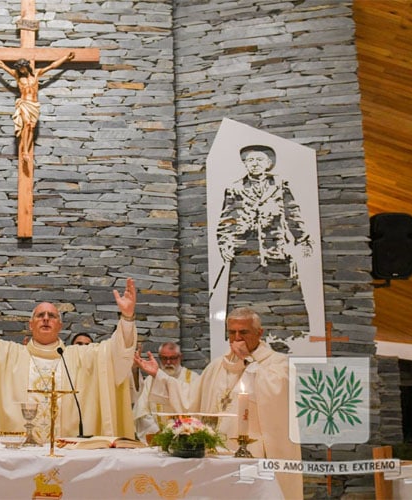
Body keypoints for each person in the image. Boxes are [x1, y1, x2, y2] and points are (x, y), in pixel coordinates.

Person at [0, 264, 137, 443]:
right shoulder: (8, 355)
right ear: (31, 324)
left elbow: (115, 356)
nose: (46, 319)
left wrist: (127, 318)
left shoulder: (82, 357)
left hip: (68, 453)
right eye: (40, 315)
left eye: (52, 316)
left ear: (60, 325)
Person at [135, 307, 302, 499]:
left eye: (244, 332)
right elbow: (191, 397)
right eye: (232, 332)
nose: (237, 338)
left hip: (256, 456)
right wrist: (159, 375)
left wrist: (247, 361)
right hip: (218, 457)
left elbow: (277, 398)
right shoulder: (218, 365)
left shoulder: (277, 363)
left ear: (259, 333)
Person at [215, 144, 314, 349]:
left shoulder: (280, 184)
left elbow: (292, 212)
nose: (254, 164)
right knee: (244, 296)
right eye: (250, 160)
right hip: (245, 251)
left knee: (284, 295)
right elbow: (226, 220)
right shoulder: (235, 187)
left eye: (259, 160)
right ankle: (243, 341)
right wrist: (225, 243)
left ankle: (288, 338)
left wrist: (303, 238)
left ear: (268, 163)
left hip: (276, 248)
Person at [0, 50, 75, 171]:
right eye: (20, 69)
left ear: (27, 66)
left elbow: (52, 66)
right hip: (24, 103)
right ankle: (25, 151)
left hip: (34, 105)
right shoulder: (16, 75)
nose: (22, 71)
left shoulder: (36, 74)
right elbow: (2, 65)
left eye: (23, 68)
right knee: (26, 124)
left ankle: (26, 148)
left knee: (30, 127)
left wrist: (66, 58)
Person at [132, 342, 201, 441]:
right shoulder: (151, 381)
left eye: (173, 358)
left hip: (187, 439)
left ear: (180, 357)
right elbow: (142, 412)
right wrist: (156, 432)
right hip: (158, 438)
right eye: (164, 358)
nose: (168, 362)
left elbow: (198, 410)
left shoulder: (194, 379)